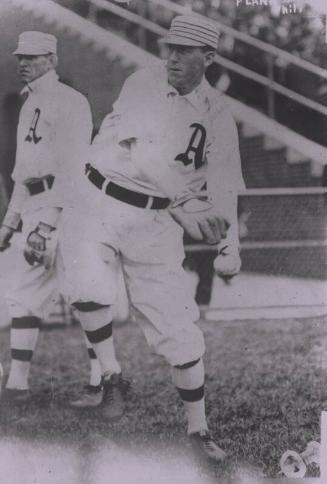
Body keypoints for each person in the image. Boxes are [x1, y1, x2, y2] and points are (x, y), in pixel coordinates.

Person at [61, 15, 244, 461]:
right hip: (99, 198)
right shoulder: (144, 81)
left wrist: (230, 245)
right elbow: (142, 152)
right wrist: (185, 199)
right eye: (170, 47)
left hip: (155, 221)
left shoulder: (219, 116)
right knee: (86, 285)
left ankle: (198, 431)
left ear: (210, 57)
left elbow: (223, 187)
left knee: (178, 331)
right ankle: (111, 376)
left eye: (185, 50)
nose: (173, 56)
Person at [0, 31, 104, 403]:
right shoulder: (29, 103)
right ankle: (17, 385)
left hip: (69, 207)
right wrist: (10, 223)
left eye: (32, 56)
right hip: (35, 205)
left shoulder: (71, 101)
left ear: (52, 59)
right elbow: (22, 174)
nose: (23, 62)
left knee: (84, 295)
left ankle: (100, 381)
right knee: (25, 294)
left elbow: (74, 168)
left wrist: (46, 225)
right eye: (19, 56)